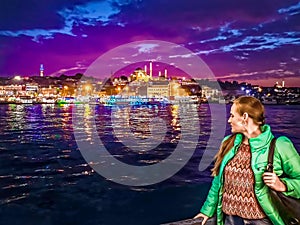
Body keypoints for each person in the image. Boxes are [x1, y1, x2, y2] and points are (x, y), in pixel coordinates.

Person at [194, 96, 300, 225]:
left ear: (244, 117)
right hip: (229, 220)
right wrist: (206, 212)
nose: (229, 120)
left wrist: (282, 185)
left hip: (261, 221)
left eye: (232, 116)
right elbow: (218, 182)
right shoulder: (228, 143)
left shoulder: (280, 145)